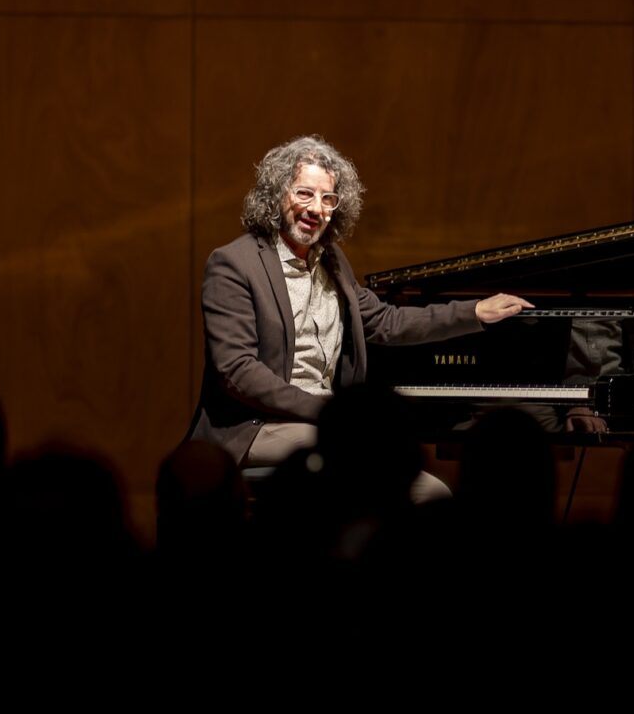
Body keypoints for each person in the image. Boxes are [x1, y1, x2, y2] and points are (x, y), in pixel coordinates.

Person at [187, 135, 531, 467]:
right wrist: (330, 412)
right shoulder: (234, 263)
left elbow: (386, 321)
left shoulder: (331, 261)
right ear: (277, 195)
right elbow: (237, 371)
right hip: (252, 428)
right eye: (304, 194)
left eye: (328, 199)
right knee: (364, 455)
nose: (316, 209)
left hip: (325, 424)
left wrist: (473, 312)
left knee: (430, 493)